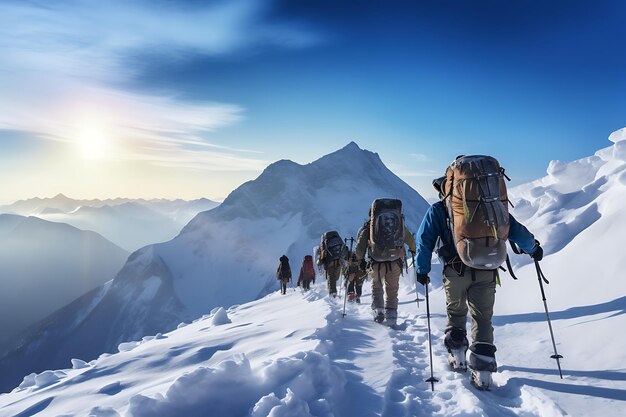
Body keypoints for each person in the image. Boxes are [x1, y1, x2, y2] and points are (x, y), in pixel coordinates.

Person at [415, 167, 543, 389]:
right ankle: (483, 371)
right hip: (487, 269)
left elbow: (424, 240)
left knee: (456, 312)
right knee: (483, 318)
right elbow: (514, 229)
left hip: (455, 271)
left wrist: (422, 269)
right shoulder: (490, 207)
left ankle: (458, 355)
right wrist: (533, 248)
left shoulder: (439, 209)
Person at [355, 199, 416, 327]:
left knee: (377, 287)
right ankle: (392, 315)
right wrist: (413, 251)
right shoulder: (399, 225)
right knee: (392, 289)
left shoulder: (369, 228)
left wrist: (359, 260)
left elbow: (360, 247)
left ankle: (378, 310)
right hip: (395, 261)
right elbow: (410, 240)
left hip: (376, 262)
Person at [318, 231, 346, 298]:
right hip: (339, 260)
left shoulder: (325, 241)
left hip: (330, 261)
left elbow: (323, 253)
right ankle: (333, 293)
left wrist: (320, 262)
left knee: (331, 277)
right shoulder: (338, 239)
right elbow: (344, 248)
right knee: (335, 277)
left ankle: (332, 294)